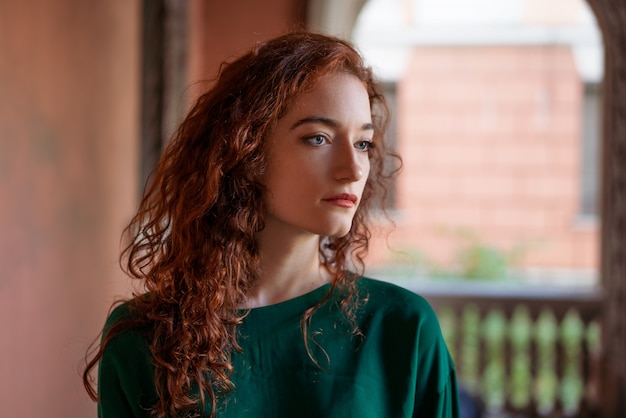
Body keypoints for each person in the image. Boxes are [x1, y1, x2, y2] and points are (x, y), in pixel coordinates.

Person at [83, 31, 460, 418]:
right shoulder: (144, 339)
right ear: (246, 150)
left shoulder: (402, 328)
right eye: (318, 138)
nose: (353, 169)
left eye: (363, 143)